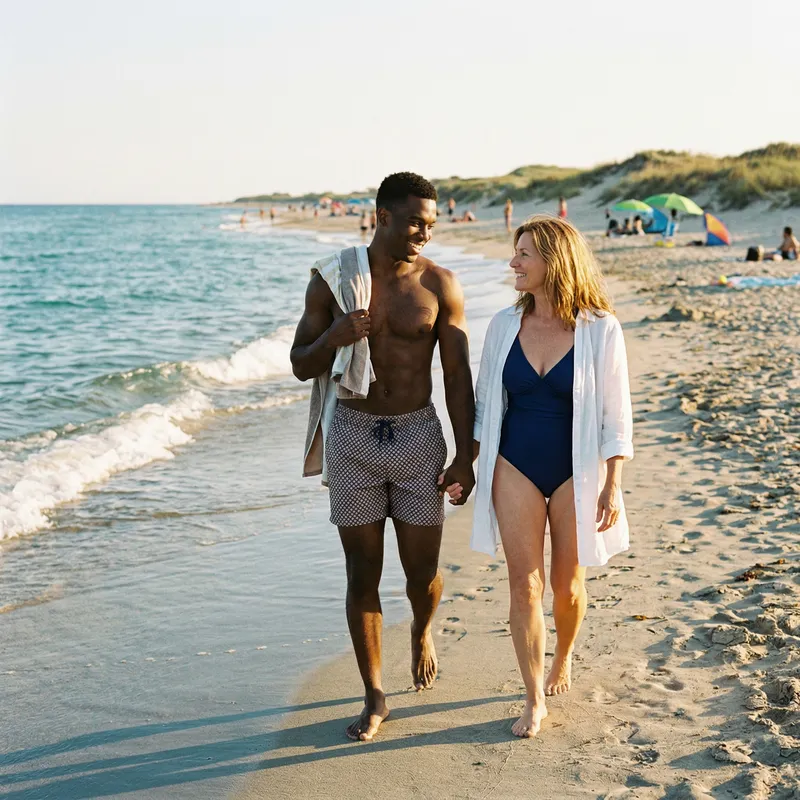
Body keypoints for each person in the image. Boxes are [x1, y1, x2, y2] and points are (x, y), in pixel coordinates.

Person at [290, 172, 476, 742]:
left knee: (422, 575)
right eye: (415, 222)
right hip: (352, 433)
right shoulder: (334, 281)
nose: (424, 233)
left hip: (418, 434)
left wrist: (465, 454)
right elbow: (301, 362)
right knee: (361, 573)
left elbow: (456, 377)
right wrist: (335, 338)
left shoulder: (440, 285)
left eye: (432, 224)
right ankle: (375, 694)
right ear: (382, 216)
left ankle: (423, 628)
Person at [443, 215, 633, 739]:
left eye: (524, 253)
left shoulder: (600, 328)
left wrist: (613, 483)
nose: (513, 262)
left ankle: (563, 656)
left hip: (577, 469)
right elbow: (485, 406)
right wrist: (467, 463)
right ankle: (532, 699)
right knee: (524, 585)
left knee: (566, 587)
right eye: (515, 251)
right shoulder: (505, 324)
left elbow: (616, 415)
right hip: (515, 465)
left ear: (555, 260)